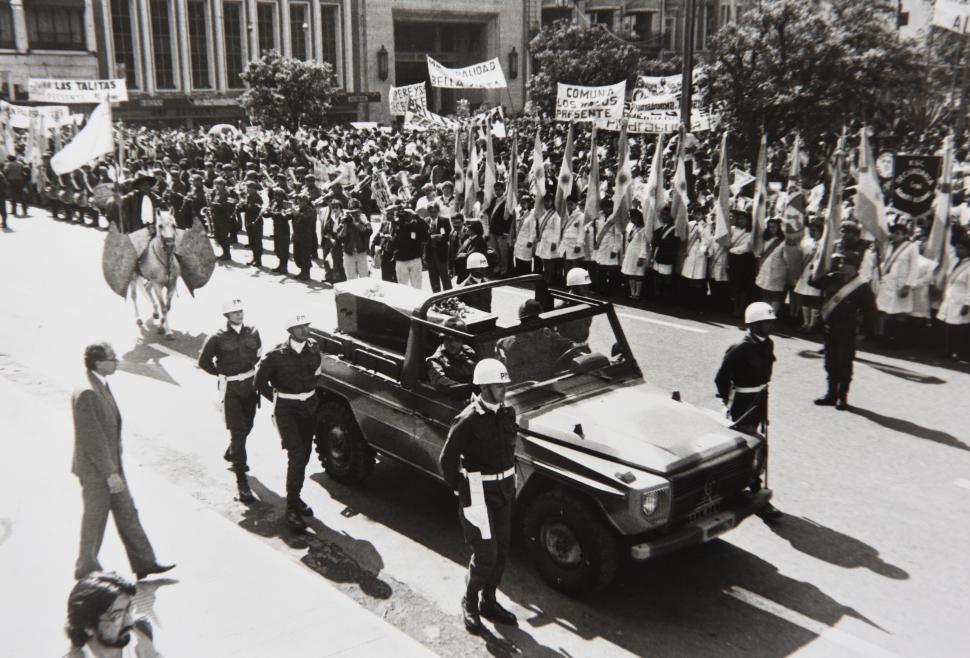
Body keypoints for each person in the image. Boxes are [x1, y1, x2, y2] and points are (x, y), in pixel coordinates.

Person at [72, 343, 175, 580]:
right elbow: (93, 439)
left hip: (112, 466)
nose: (117, 361)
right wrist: (110, 474)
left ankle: (145, 563)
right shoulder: (88, 392)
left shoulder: (99, 384)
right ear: (99, 362)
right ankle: (85, 567)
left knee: (128, 512)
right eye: (112, 358)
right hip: (98, 470)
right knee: (95, 517)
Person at [438, 358, 518, 634]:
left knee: (503, 552)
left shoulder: (507, 414)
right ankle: (470, 601)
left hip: (504, 491)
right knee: (486, 554)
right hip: (478, 495)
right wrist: (462, 488)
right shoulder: (468, 419)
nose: (504, 389)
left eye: (504, 384)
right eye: (499, 385)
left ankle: (489, 600)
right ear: (484, 387)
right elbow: (447, 460)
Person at [714, 302, 782, 522]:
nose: (770, 326)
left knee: (752, 448)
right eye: (765, 323)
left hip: (759, 401)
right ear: (753, 324)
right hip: (742, 404)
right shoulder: (739, 348)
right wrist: (727, 401)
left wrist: (763, 407)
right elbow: (721, 378)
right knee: (753, 449)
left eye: (771, 322)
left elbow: (764, 379)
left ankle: (742, 487)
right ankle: (756, 493)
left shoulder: (768, 344)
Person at [254, 313, 322, 532]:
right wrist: (280, 400)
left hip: (309, 408)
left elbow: (317, 374)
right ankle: (291, 508)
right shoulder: (276, 355)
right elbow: (260, 382)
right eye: (299, 327)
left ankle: (296, 496)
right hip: (287, 410)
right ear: (290, 331)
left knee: (305, 455)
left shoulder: (313, 348)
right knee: (297, 454)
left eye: (306, 326)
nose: (304, 330)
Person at [197, 298, 262, 504]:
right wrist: (222, 374)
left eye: (240, 311)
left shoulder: (253, 332)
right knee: (238, 431)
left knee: (248, 425)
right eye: (234, 313)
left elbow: (258, 353)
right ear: (226, 316)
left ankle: (232, 451)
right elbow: (203, 362)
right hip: (231, 389)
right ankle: (242, 483)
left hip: (250, 386)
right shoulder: (216, 338)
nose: (239, 315)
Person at [813, 251, 878, 410]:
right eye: (841, 263)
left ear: (855, 267)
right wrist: (821, 265)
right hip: (829, 328)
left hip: (847, 330)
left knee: (844, 364)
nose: (842, 266)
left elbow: (870, 311)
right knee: (829, 363)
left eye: (846, 264)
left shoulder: (862, 287)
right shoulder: (833, 277)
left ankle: (842, 396)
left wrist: (864, 331)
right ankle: (831, 394)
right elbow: (814, 282)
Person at [64, 572, 160, 657]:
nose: (129, 622)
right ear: (88, 627)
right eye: (118, 616)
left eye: (129, 610)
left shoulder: (143, 647)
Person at [497, 299, 576, 382]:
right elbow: (511, 375)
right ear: (522, 321)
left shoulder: (545, 334)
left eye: (536, 318)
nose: (534, 323)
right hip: (525, 387)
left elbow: (568, 344)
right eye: (530, 320)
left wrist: (576, 348)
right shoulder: (513, 343)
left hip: (549, 380)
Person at [937, 231, 970, 361]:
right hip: (951, 298)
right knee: (949, 325)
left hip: (961, 300)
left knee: (959, 327)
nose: (957, 250)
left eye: (961, 248)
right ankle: (949, 350)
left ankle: (957, 352)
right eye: (957, 247)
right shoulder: (955, 263)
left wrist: (968, 304)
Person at [426, 316, 477, 398]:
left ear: (463, 341)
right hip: (459, 398)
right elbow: (440, 381)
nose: (452, 344)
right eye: (448, 339)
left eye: (456, 340)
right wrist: (469, 389)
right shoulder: (436, 360)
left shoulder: (468, 352)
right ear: (443, 339)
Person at [392, 208, 429, 289]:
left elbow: (426, 229)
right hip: (401, 260)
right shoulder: (398, 225)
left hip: (414, 260)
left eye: (408, 214)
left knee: (417, 286)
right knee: (402, 287)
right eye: (405, 214)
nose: (406, 216)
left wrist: (416, 216)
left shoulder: (416, 225)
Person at [337, 198, 373, 280]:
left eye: (357, 211)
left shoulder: (363, 218)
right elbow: (340, 237)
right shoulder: (345, 218)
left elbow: (369, 232)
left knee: (364, 277)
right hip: (349, 253)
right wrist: (345, 225)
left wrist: (357, 223)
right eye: (353, 212)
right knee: (351, 278)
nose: (355, 214)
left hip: (361, 252)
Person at [239, 181, 265, 267]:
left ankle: (259, 260)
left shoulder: (258, 198)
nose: (247, 190)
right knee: (252, 242)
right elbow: (245, 209)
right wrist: (240, 206)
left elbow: (254, 209)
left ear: (254, 189)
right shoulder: (248, 197)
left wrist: (245, 205)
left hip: (256, 223)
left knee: (257, 242)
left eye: (249, 188)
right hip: (249, 221)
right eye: (247, 188)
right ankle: (254, 258)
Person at [268, 187, 291, 274]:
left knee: (283, 248)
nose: (275, 196)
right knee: (277, 248)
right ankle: (280, 265)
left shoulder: (287, 204)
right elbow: (269, 213)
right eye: (274, 195)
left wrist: (273, 213)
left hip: (284, 228)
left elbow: (287, 216)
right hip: (276, 227)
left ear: (282, 196)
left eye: (277, 195)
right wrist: (266, 212)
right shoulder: (274, 202)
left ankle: (284, 267)